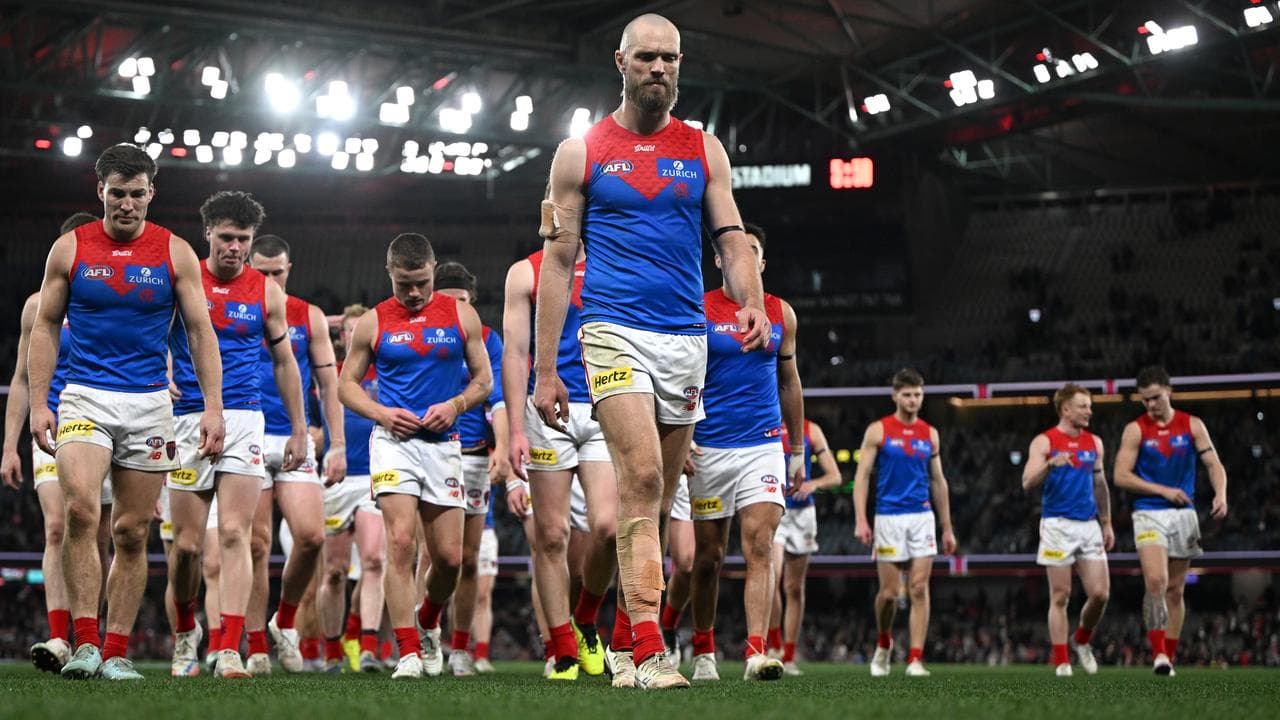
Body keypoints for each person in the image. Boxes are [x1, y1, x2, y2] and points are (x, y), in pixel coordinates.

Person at [533, 12, 767, 690]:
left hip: (685, 339)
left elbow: (729, 239)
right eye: (646, 58)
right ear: (620, 62)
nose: (659, 69)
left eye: (670, 58)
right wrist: (548, 369)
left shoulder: (705, 149)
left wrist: (748, 299)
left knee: (655, 505)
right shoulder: (580, 151)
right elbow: (557, 261)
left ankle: (596, 619)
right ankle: (647, 649)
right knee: (638, 482)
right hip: (611, 330)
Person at [27, 143, 226, 680]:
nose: (127, 204)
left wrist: (213, 407)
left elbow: (201, 332)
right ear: (100, 192)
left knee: (133, 533)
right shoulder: (69, 248)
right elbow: (44, 327)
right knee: (80, 512)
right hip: (84, 396)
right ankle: (86, 644)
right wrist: (40, 403)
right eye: (118, 193)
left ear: (151, 194)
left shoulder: (175, 252)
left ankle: (116, 653)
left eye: (137, 194)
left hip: (149, 404)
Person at [166, 191, 308, 679]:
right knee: (185, 547)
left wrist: (299, 430)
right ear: (207, 234)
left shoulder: (266, 291)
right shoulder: (182, 278)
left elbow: (286, 362)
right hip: (185, 416)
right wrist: (162, 372)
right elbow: (154, 335)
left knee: (236, 535)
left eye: (243, 239)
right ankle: (187, 630)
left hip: (245, 417)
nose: (235, 248)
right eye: (226, 237)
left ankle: (228, 647)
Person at [338, 233, 492, 680]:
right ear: (389, 274)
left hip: (445, 445)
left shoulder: (462, 315)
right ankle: (407, 651)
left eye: (422, 282)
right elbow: (347, 385)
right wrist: (382, 414)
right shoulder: (373, 322)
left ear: (433, 269)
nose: (413, 293)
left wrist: (455, 406)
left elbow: (483, 380)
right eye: (404, 283)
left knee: (449, 559)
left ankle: (427, 622)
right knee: (401, 543)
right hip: (394, 445)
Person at [684, 222, 804, 682]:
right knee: (708, 558)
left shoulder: (780, 313)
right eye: (736, 250)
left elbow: (790, 381)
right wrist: (682, 435)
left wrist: (794, 448)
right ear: (719, 259)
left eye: (753, 251)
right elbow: (680, 377)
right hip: (709, 448)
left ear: (762, 262)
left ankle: (757, 651)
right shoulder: (698, 309)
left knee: (760, 545)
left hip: (762, 446)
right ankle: (704, 649)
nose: (745, 257)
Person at [2, 212, 112, 674]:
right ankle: (58, 636)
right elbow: (23, 380)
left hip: (109, 423)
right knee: (57, 525)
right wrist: (9, 445)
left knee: (102, 535)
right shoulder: (38, 305)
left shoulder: (115, 300)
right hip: (55, 424)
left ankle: (93, 636)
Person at [502, 242, 617, 682]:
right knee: (551, 536)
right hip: (545, 411)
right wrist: (515, 429)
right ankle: (562, 650)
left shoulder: (614, 261)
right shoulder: (525, 273)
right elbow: (514, 353)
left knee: (606, 527)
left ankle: (585, 617)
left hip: (606, 403)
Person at [244, 234, 346, 674]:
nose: (269, 279)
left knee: (311, 537)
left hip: (293, 437)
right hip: (245, 433)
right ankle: (253, 648)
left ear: (289, 269)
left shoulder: (310, 316)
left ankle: (283, 623)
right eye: (261, 272)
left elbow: (329, 388)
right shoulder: (233, 307)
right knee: (254, 544)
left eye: (276, 273)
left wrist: (337, 443)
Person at [1114, 366, 1228, 676]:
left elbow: (1213, 463)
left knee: (1175, 591)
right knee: (1156, 582)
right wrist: (1163, 490)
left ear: (1169, 391)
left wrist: (1221, 494)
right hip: (1149, 512)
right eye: (1145, 400)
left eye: (1155, 397)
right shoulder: (1135, 429)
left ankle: (1170, 658)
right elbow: (1120, 475)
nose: (1150, 405)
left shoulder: (1192, 425)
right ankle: (1159, 655)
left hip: (1184, 515)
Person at [432, 260, 511, 677]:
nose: (455, 309)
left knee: (465, 557)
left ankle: (460, 647)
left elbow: (496, 398)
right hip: (427, 451)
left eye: (461, 301)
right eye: (446, 301)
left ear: (472, 302)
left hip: (475, 456)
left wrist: (501, 446)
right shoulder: (423, 332)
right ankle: (421, 639)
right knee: (426, 555)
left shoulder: (487, 339)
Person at [853, 368, 957, 678]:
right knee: (888, 595)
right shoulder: (878, 430)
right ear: (895, 396)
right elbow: (861, 476)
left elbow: (939, 481)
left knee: (919, 587)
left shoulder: (930, 433)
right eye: (908, 394)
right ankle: (884, 644)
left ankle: (915, 659)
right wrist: (861, 519)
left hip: (922, 517)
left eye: (918, 395)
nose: (913, 400)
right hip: (888, 517)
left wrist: (947, 526)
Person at [1022, 384, 1114, 677]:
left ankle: (1081, 640)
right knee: (1060, 595)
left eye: (1089, 405)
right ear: (1065, 409)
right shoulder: (1044, 441)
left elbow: (1100, 484)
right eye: (1083, 406)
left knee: (1100, 594)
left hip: (1088, 525)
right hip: (1057, 525)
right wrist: (1049, 465)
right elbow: (1026, 482)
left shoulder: (1095, 443)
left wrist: (1107, 522)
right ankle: (1062, 661)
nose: (1090, 411)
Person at [316, 304, 386, 672]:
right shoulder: (327, 374)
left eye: (364, 329)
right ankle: (331, 650)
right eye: (350, 329)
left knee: (374, 561)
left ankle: (369, 645)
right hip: (335, 479)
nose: (357, 335)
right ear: (341, 336)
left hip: (374, 476)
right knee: (334, 571)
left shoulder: (390, 368)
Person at [770, 417, 841, 675]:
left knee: (794, 588)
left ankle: (788, 655)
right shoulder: (767, 421)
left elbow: (835, 475)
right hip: (775, 508)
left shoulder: (812, 429)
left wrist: (814, 484)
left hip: (803, 516)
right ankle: (774, 644)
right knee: (773, 576)